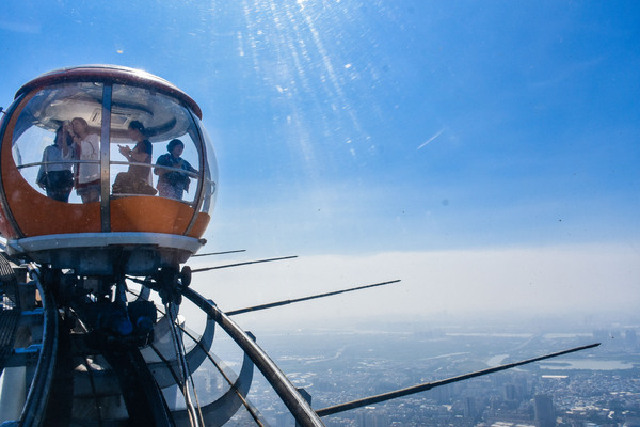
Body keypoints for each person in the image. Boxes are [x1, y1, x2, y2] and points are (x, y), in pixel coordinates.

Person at [112, 121, 156, 195]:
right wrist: (126, 154)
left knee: (120, 176)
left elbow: (142, 158)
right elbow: (134, 163)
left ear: (136, 131)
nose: (128, 134)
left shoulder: (146, 143)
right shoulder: (138, 145)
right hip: (133, 176)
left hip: (138, 178)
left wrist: (129, 152)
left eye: (130, 131)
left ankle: (115, 198)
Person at [36, 123, 74, 202]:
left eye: (64, 135)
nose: (61, 137)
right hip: (52, 179)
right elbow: (43, 165)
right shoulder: (49, 149)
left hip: (65, 178)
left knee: (63, 203)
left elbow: (67, 159)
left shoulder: (71, 149)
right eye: (60, 134)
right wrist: (39, 179)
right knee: (52, 202)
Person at [71, 117, 100, 203]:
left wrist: (73, 136)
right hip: (81, 176)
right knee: (85, 204)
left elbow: (88, 151)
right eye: (73, 124)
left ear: (84, 125)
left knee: (93, 203)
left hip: (92, 176)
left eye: (77, 123)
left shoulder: (92, 137)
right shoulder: (75, 142)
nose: (75, 126)